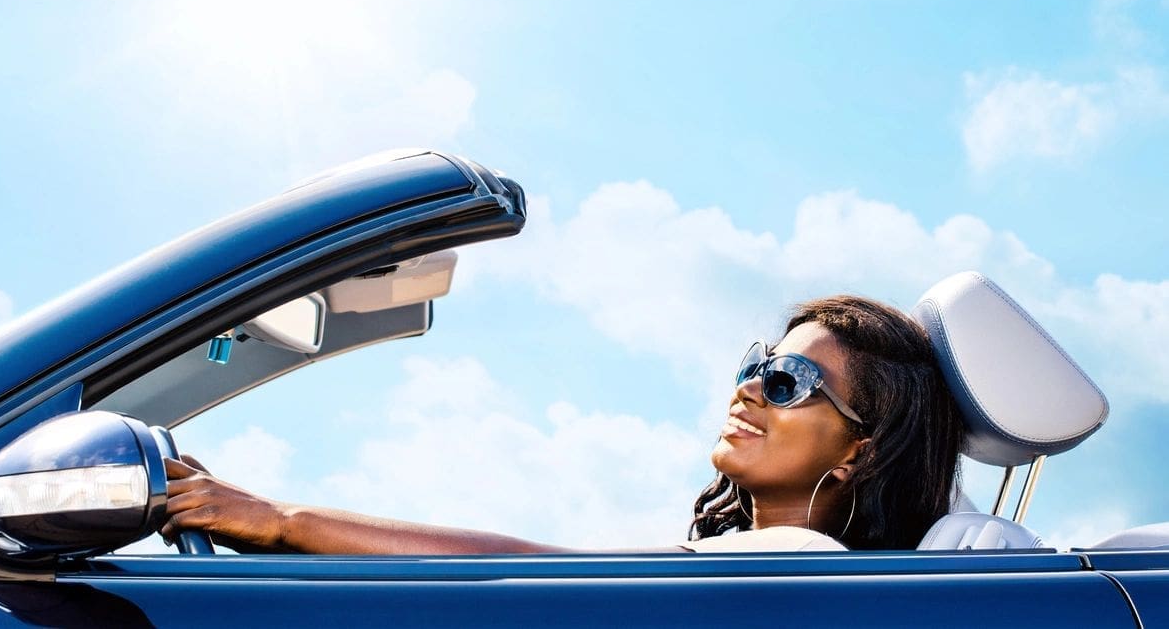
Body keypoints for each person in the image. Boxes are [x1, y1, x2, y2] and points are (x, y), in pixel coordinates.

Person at [161, 295, 963, 554]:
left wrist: (282, 520)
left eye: (788, 382)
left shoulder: (795, 564)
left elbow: (538, 568)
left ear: (861, 449)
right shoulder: (763, 567)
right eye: (756, 364)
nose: (749, 390)